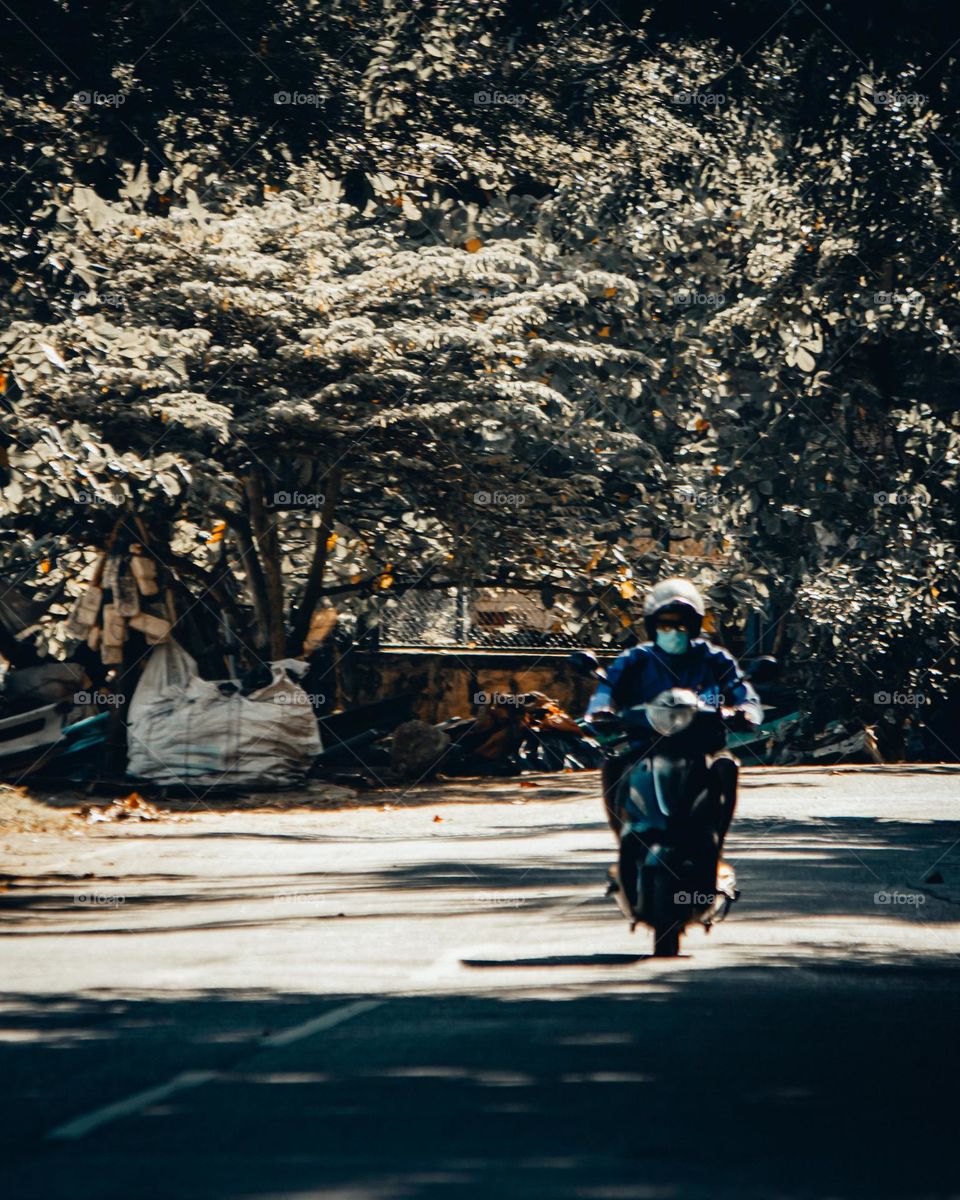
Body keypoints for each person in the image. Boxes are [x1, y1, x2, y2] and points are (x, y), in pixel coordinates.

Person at [585, 578, 762, 860]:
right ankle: (624, 845)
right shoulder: (636, 659)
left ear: (693, 627)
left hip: (700, 746)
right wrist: (601, 711)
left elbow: (741, 690)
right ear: (653, 626)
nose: (673, 631)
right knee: (612, 766)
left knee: (727, 766)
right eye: (665, 624)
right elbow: (607, 689)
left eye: (681, 624)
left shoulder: (713, 658)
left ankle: (716, 848)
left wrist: (745, 711)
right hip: (644, 744)